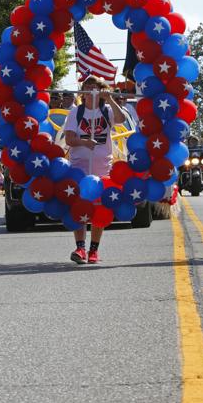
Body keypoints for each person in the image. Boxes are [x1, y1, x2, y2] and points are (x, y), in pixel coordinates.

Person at [63, 75, 125, 264]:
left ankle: (94, 250)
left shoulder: (106, 110)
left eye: (95, 86)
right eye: (87, 86)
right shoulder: (76, 112)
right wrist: (83, 142)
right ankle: (80, 247)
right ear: (82, 92)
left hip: (102, 167)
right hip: (79, 166)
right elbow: (69, 139)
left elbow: (121, 119)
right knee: (80, 206)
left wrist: (111, 99)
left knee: (99, 209)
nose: (91, 90)